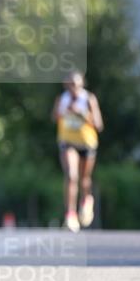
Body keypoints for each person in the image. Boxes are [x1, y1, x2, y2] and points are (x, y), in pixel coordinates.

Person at [52, 71, 104, 232]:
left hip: (86, 143)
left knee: (84, 179)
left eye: (74, 84)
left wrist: (82, 114)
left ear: (81, 84)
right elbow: (54, 118)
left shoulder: (88, 99)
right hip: (68, 142)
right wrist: (63, 111)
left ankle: (87, 200)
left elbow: (98, 125)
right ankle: (70, 215)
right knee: (71, 175)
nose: (72, 88)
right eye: (69, 84)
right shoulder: (62, 99)